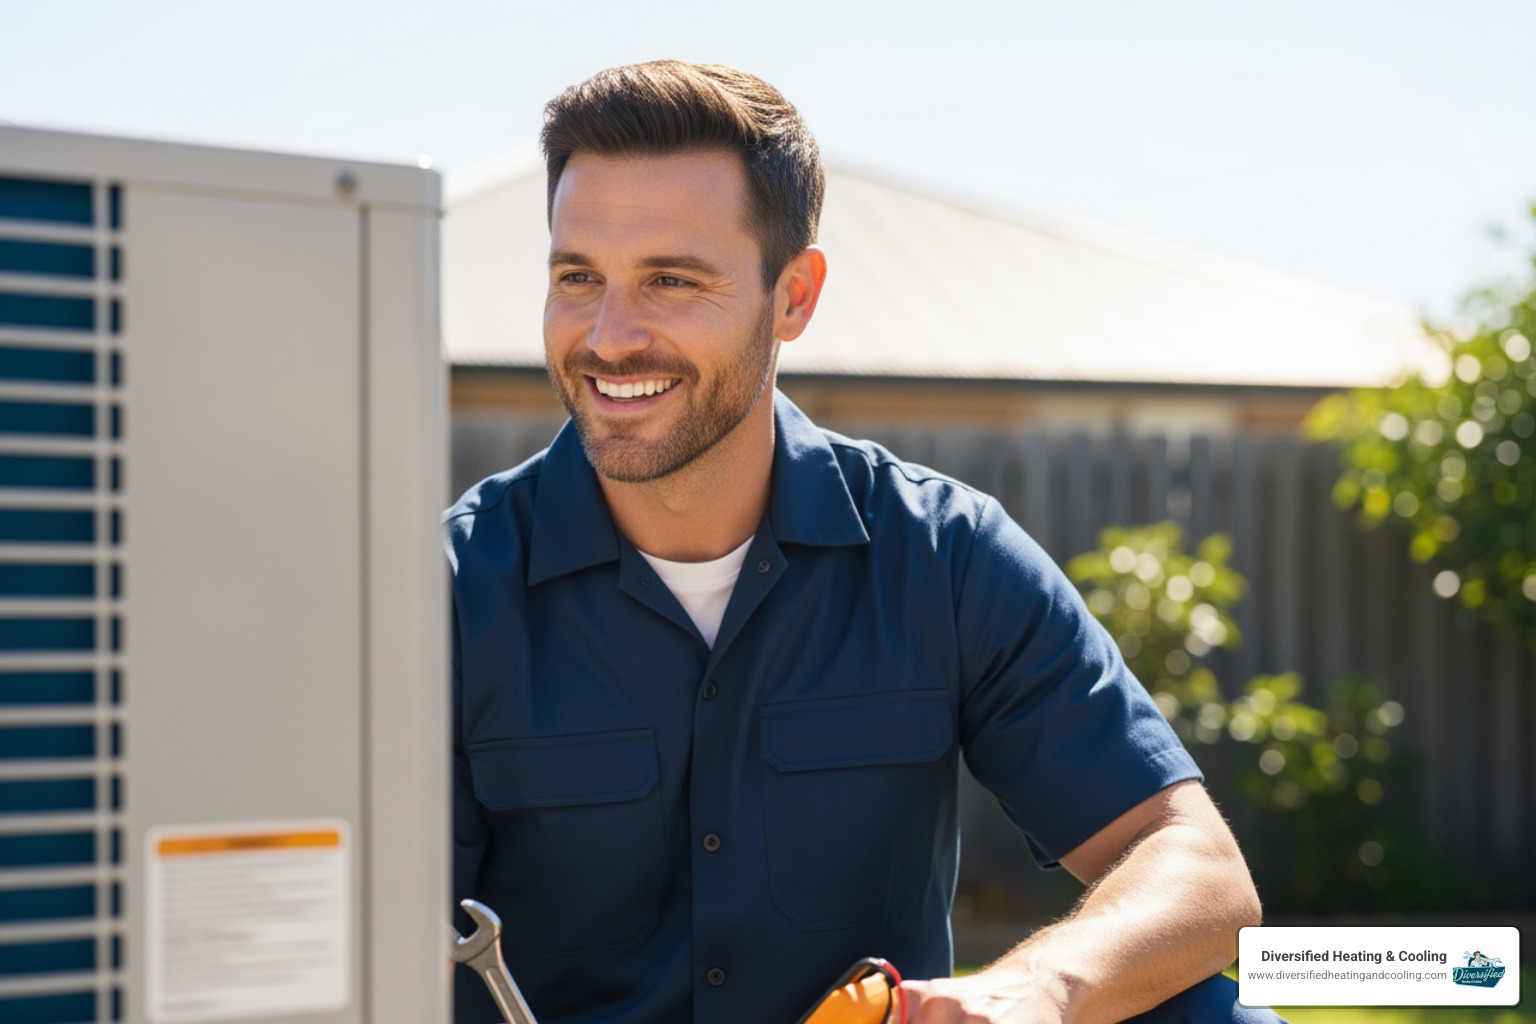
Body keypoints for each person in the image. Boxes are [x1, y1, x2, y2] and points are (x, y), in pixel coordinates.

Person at [447, 60, 1276, 1024]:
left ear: (794, 297)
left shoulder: (945, 557)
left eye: (671, 281)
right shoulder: (443, 594)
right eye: (578, 277)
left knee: (1211, 1014)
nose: (609, 335)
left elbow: (1198, 867)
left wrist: (1036, 989)